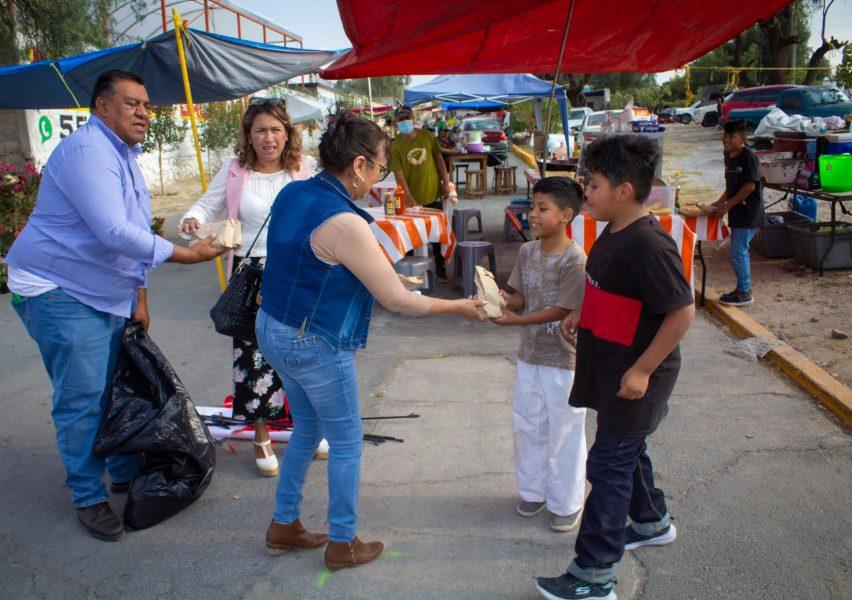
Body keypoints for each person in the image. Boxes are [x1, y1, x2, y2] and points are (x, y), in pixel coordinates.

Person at [256, 110, 485, 571]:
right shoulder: (344, 221)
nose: (380, 179)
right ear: (358, 165)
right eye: (380, 167)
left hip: (274, 327)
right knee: (345, 442)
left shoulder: (295, 191)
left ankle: (284, 524)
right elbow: (398, 300)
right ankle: (342, 543)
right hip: (312, 339)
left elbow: (323, 262)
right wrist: (458, 306)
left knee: (306, 429)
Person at [6, 70, 226, 542]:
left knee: (117, 384)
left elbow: (133, 227)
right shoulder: (88, 151)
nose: (144, 112)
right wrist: (186, 255)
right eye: (132, 104)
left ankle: (123, 471)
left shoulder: (124, 154)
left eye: (147, 104)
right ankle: (88, 495)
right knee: (84, 397)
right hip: (56, 287)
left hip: (103, 290)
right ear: (102, 107)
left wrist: (138, 295)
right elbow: (114, 232)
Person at [535, 135, 695, 600]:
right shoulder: (614, 228)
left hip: (637, 375)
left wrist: (642, 370)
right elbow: (613, 290)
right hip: (611, 365)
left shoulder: (649, 244)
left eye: (594, 184)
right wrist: (582, 314)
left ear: (624, 191)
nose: (586, 191)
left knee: (608, 465)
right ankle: (651, 521)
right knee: (628, 452)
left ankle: (594, 575)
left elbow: (680, 312)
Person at [178, 98, 318, 477]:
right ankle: (260, 435)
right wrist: (192, 220)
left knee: (300, 351)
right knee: (252, 356)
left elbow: (325, 213)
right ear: (249, 135)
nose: (269, 138)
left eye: (276, 129)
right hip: (251, 273)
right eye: (261, 130)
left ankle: (307, 425)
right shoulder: (235, 169)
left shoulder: (305, 169)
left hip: (296, 271)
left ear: (287, 133)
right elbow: (206, 206)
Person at [490, 177, 588, 532]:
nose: (532, 214)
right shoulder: (527, 251)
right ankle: (534, 491)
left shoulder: (574, 259)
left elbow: (563, 309)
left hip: (562, 360)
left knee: (564, 429)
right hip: (529, 355)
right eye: (532, 207)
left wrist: (516, 320)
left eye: (541, 208)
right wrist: (499, 299)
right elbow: (519, 296)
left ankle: (567, 502)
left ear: (566, 215)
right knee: (527, 423)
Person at [390, 105, 457, 282]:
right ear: (396, 123)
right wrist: (409, 198)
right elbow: (399, 176)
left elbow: (439, 160)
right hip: (411, 200)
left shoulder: (427, 136)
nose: (405, 122)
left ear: (413, 118)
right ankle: (411, 276)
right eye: (401, 120)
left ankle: (441, 270)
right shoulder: (396, 146)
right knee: (411, 238)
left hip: (433, 194)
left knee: (437, 235)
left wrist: (445, 183)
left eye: (407, 118)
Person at [703, 120, 763, 307]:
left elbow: (749, 186)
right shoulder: (728, 155)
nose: (725, 140)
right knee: (738, 251)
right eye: (724, 136)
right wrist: (719, 203)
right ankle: (742, 289)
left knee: (738, 251)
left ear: (743, 138)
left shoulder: (749, 157)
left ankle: (744, 292)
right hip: (737, 212)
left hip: (749, 212)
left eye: (730, 137)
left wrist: (726, 207)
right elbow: (732, 186)